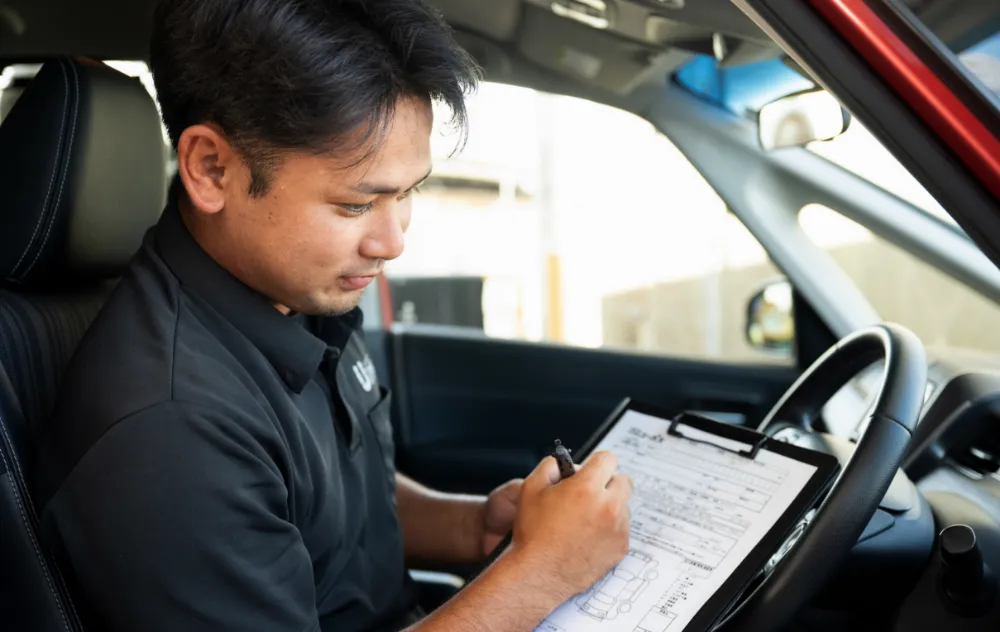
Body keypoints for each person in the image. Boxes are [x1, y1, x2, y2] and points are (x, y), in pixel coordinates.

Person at [35, 1, 633, 631]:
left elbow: (324, 507)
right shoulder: (169, 431)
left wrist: (473, 525)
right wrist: (541, 572)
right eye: (355, 204)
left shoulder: (294, 291)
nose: (392, 240)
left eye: (407, 193)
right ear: (212, 168)